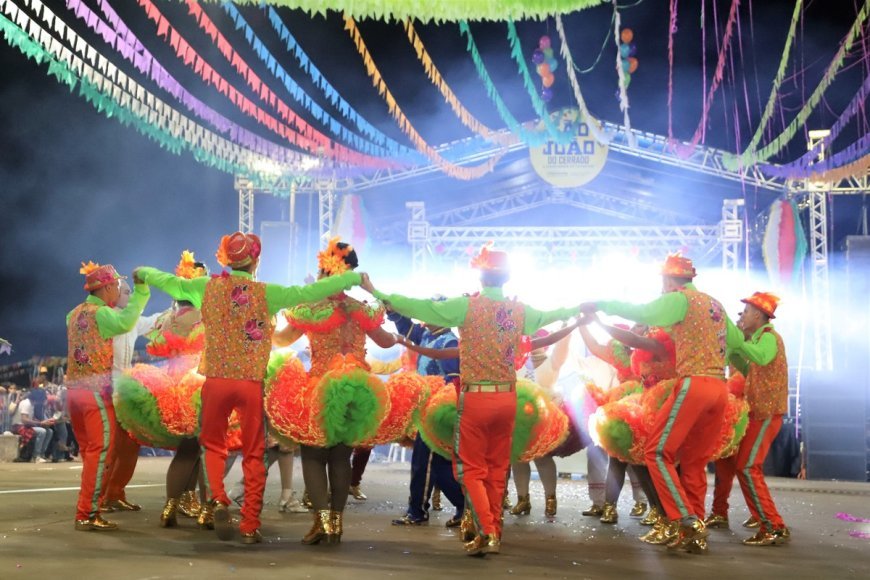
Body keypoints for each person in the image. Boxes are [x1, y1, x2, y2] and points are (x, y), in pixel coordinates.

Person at [136, 232, 362, 544]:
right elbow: (310, 290)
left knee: (213, 446)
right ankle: (250, 524)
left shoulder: (206, 286)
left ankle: (216, 498)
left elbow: (170, 283)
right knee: (254, 453)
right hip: (250, 384)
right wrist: (350, 278)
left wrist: (144, 273)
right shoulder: (266, 292)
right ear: (256, 261)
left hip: (214, 381)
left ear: (226, 259)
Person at [361, 243, 581, 557]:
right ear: (506, 278)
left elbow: (416, 306)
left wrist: (375, 290)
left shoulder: (467, 308)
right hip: (507, 398)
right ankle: (494, 530)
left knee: (471, 469)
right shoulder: (519, 311)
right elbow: (552, 315)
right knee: (496, 467)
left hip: (476, 399)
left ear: (481, 277)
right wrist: (578, 313)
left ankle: (488, 531)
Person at [579, 253, 745, 554]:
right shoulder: (715, 305)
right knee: (693, 462)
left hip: (693, 385)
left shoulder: (679, 299)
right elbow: (736, 343)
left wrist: (600, 305)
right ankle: (694, 531)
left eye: (663, 282)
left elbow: (641, 311)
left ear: (669, 280)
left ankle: (684, 520)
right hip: (718, 387)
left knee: (655, 452)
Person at [270, 237, 396, 545]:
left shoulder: (311, 309)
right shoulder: (360, 308)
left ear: (323, 271)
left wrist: (259, 327)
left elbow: (282, 341)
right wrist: (393, 325)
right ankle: (336, 525)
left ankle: (321, 522)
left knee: (314, 456)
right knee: (342, 458)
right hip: (356, 391)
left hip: (320, 387)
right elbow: (386, 342)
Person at [66, 262, 150, 530]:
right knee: (101, 453)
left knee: (91, 453)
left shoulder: (73, 314)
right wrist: (142, 292)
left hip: (74, 393)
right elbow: (126, 322)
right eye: (115, 285)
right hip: (94, 393)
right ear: (106, 288)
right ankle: (87, 514)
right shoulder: (102, 314)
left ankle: (93, 504)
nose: (117, 290)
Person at [705, 292, 791, 546]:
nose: (742, 316)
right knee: (742, 465)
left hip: (766, 413)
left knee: (747, 466)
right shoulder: (759, 339)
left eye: (745, 312)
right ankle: (769, 521)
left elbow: (762, 358)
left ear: (758, 314)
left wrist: (738, 343)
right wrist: (734, 351)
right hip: (759, 413)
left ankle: (773, 525)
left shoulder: (769, 338)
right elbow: (751, 371)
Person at [389, 299, 465, 527]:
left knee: (428, 464)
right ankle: (462, 508)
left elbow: (454, 381)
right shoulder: (427, 335)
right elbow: (407, 328)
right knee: (431, 464)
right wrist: (392, 310)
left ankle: (420, 511)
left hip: (438, 413)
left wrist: (442, 411)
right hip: (426, 410)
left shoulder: (449, 341)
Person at [100, 279, 163, 512]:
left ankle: (116, 492)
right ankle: (101, 497)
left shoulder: (132, 320)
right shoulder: (104, 317)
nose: (129, 295)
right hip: (106, 390)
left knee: (131, 444)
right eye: (126, 291)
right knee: (112, 446)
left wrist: (181, 306)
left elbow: (156, 320)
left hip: (125, 391)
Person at [576, 321, 648, 521]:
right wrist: (582, 324)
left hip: (647, 405)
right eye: (633, 328)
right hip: (623, 408)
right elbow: (593, 345)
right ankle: (609, 507)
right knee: (618, 457)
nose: (634, 330)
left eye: (640, 327)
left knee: (640, 460)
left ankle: (649, 507)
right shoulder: (619, 353)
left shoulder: (655, 349)